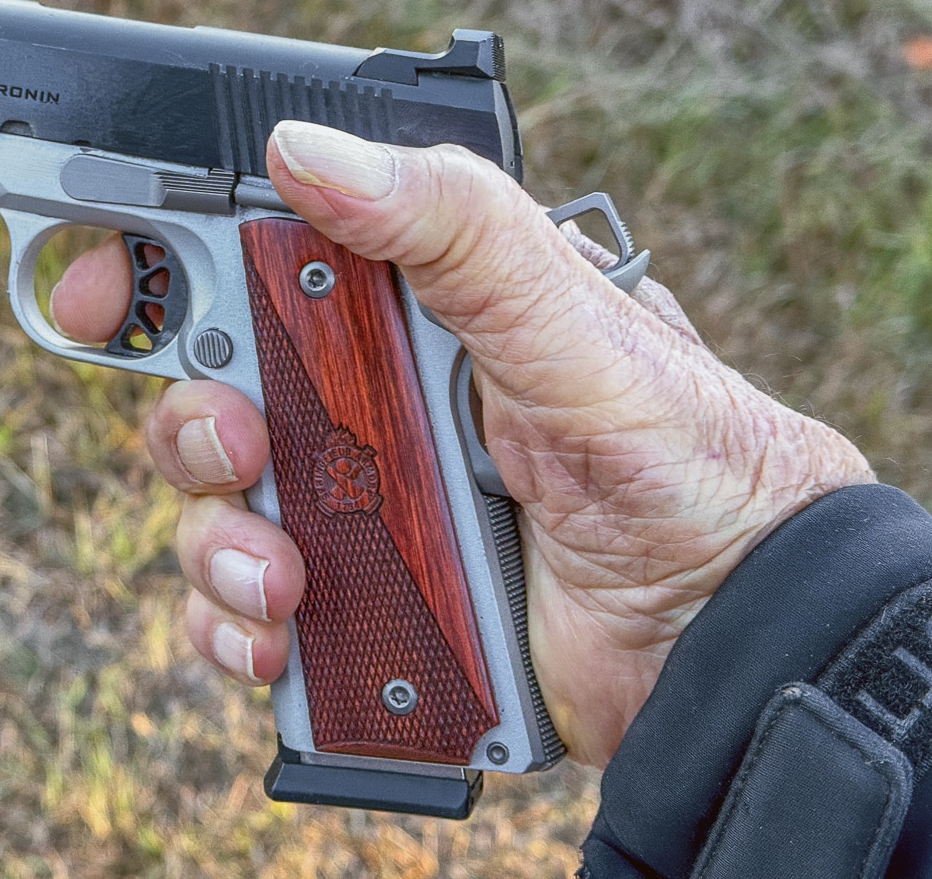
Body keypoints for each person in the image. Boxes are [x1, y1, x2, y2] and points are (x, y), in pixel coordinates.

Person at [50, 120, 932, 877]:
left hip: (295, 235)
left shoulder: (315, 205)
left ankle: (407, 706)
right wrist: (740, 598)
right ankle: (405, 702)